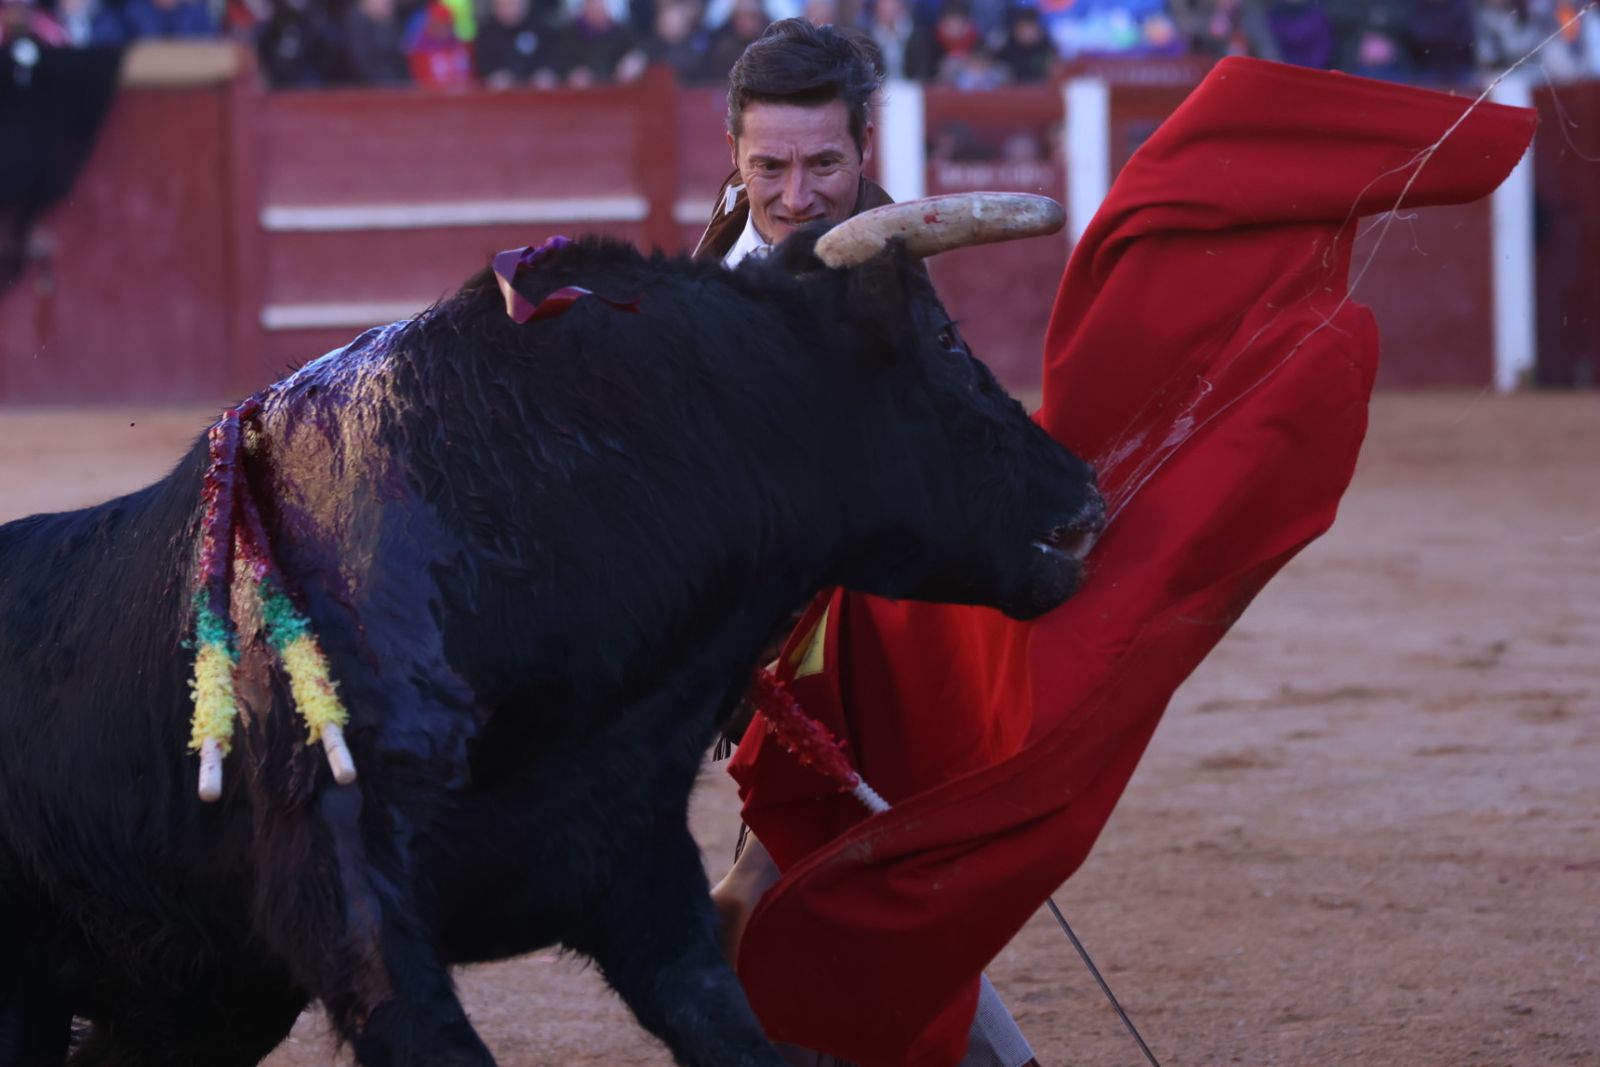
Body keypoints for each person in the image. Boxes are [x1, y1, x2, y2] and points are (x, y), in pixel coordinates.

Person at [695, 19, 1042, 1067]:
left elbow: (956, 433)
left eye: (823, 165)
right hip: (774, 654)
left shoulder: (885, 268)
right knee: (854, 892)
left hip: (861, 648)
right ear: (733, 153)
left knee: (831, 891)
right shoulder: (718, 269)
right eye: (770, 167)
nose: (797, 194)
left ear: (865, 147)